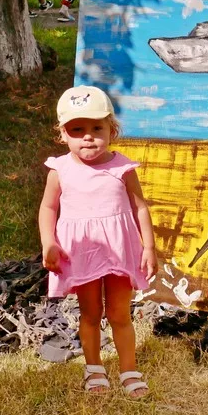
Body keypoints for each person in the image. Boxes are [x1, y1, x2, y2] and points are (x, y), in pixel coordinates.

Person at [38, 85, 157, 395]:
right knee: (90, 313)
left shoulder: (123, 167)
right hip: (82, 253)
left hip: (119, 252)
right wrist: (48, 242)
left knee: (119, 314)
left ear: (111, 130)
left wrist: (149, 247)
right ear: (62, 134)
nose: (88, 137)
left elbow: (140, 208)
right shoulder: (60, 170)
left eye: (96, 128)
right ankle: (94, 369)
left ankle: (129, 370)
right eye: (77, 130)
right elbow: (48, 208)